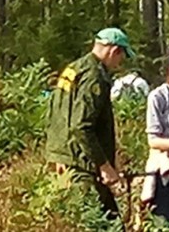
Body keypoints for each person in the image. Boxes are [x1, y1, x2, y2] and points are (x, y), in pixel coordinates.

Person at [43, 27, 134, 219]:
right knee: (99, 222)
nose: (120, 62)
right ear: (114, 50)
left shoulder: (74, 68)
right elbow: (81, 126)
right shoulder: (95, 77)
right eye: (121, 56)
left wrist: (59, 156)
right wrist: (105, 166)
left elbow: (57, 114)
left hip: (66, 158)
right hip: (82, 166)